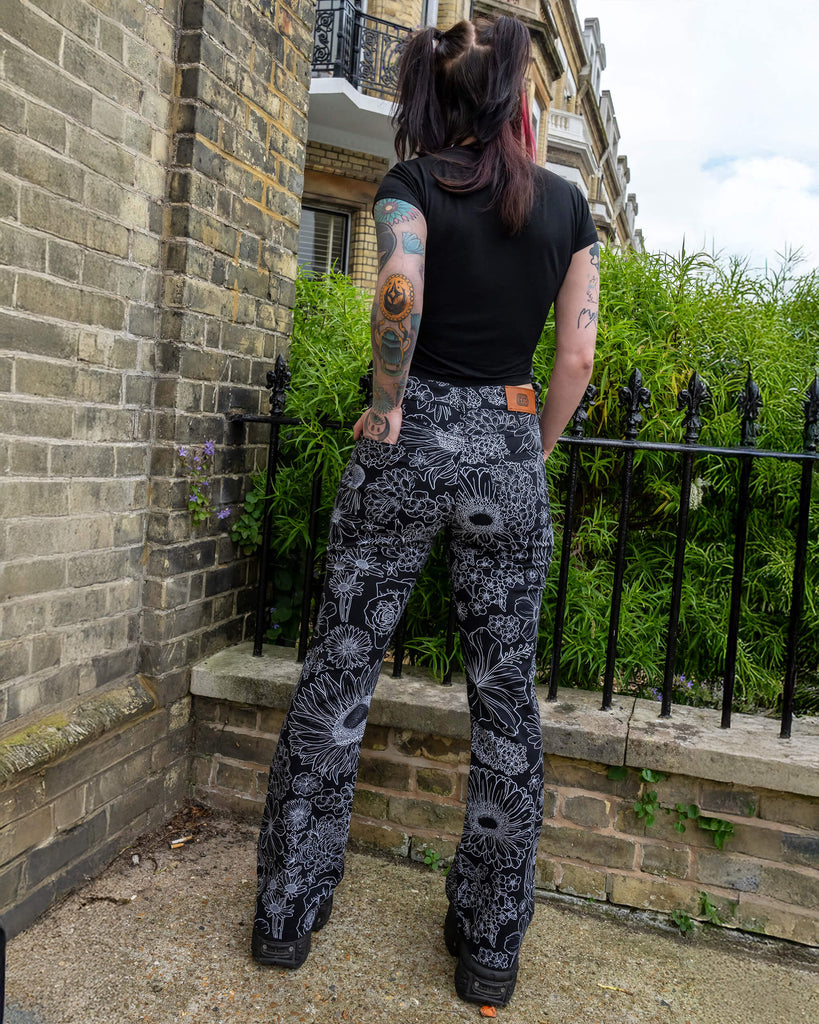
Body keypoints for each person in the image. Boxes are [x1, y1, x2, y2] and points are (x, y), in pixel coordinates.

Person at [252, 14, 599, 1008]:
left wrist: (389, 400)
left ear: (439, 100)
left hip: (403, 450)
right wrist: (527, 450)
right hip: (503, 444)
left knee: (341, 670)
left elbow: (398, 284)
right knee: (503, 702)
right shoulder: (570, 209)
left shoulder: (409, 187)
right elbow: (573, 359)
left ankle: (286, 911)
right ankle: (487, 945)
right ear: (513, 102)